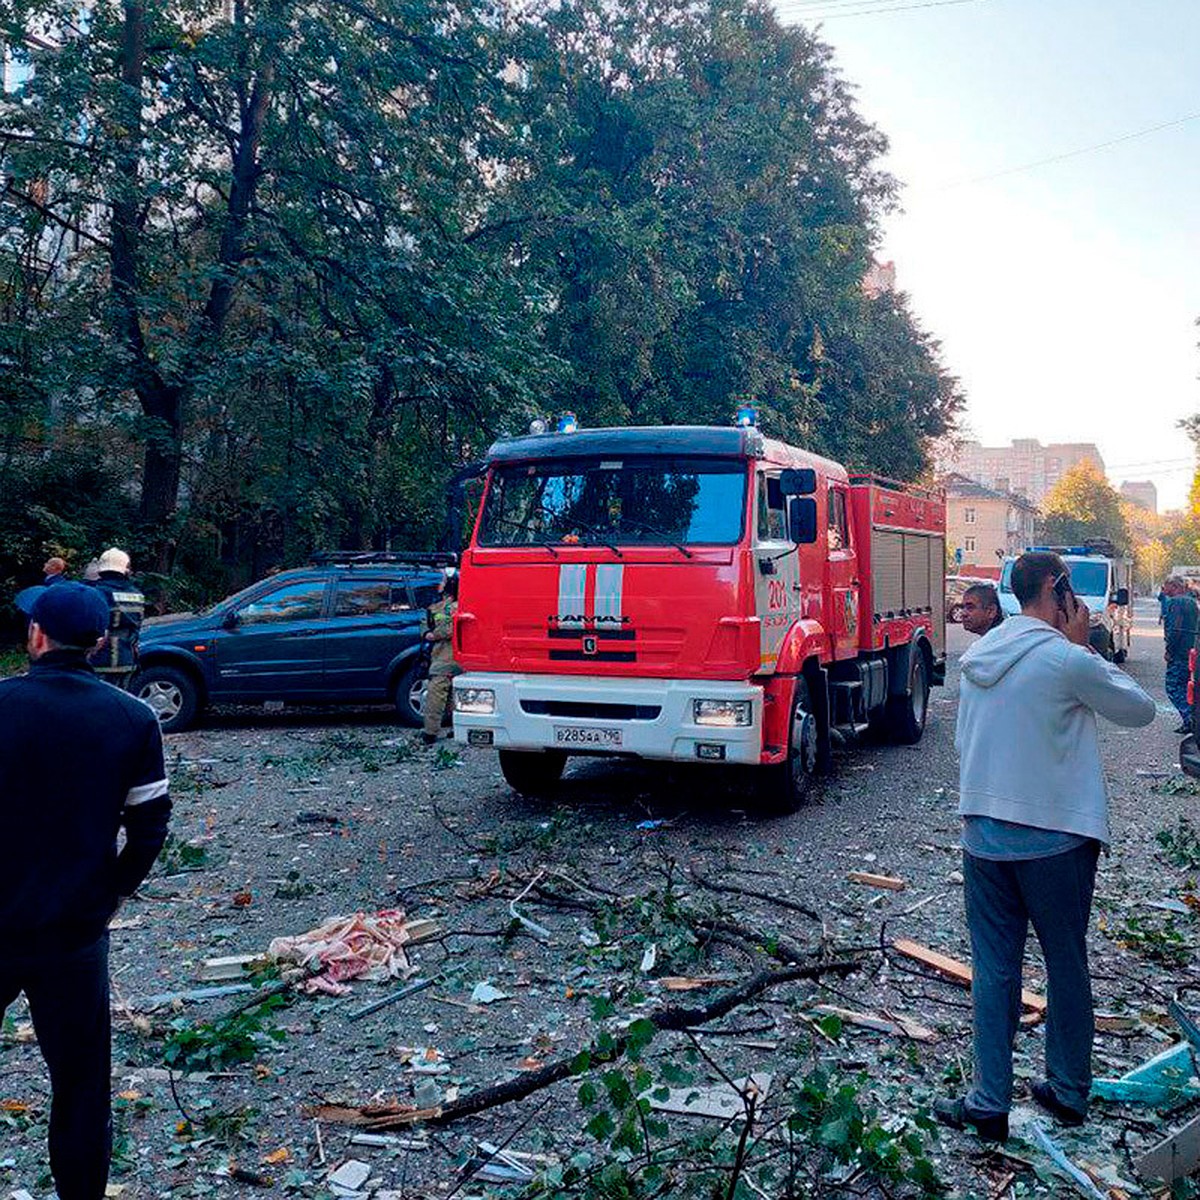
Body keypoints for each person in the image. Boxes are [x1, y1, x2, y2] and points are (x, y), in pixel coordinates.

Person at [937, 551, 1155, 1142]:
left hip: (981, 834)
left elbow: (964, 742)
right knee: (1064, 964)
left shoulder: (980, 655)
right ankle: (1065, 1090)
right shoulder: (1065, 660)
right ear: (1058, 589)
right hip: (1055, 841)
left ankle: (987, 1102)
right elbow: (1140, 711)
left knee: (994, 970)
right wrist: (1085, 646)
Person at [1, 583, 171, 1200]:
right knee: (79, 1087)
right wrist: (110, 895)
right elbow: (150, 828)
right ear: (100, 643)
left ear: (36, 636)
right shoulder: (131, 719)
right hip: (73, 935)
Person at [87, 547, 145, 690]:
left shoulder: (97, 593)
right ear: (125, 569)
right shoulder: (137, 594)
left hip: (99, 659)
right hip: (127, 658)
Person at [422, 571, 460, 745]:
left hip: (444, 658)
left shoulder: (440, 607)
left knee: (436, 695)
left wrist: (432, 635)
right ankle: (457, 729)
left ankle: (430, 733)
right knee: (458, 695)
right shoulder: (463, 605)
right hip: (462, 660)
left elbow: (432, 629)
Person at [1163, 578, 1199, 734]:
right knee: (1187, 686)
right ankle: (1190, 721)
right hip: (1191, 650)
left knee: (1173, 686)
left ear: (1175, 586)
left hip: (1179, 652)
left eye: (1167, 585)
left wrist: (1169, 650)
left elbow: (1175, 628)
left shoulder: (1176, 602)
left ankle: (1190, 720)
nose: (1164, 589)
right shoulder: (1192, 602)